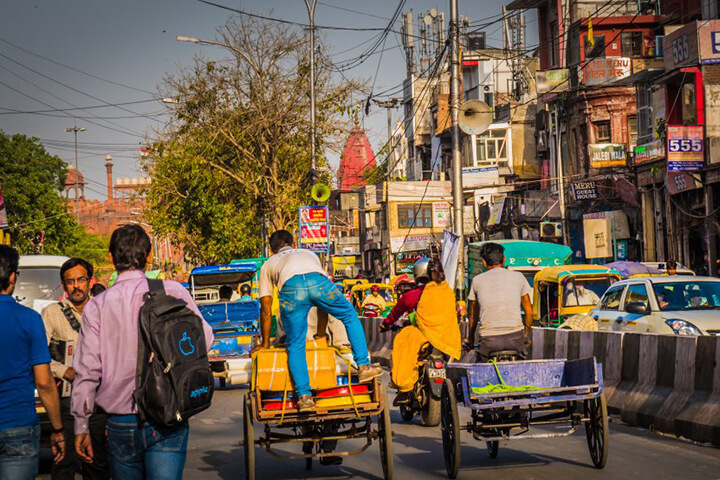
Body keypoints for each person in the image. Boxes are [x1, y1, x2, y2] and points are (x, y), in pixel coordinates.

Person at [71, 225, 214, 479]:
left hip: (120, 422)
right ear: (148, 257)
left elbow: (87, 371)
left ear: (111, 258)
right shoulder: (172, 292)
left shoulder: (97, 306)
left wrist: (81, 425)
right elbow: (205, 338)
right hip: (168, 415)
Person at [253, 230, 382, 412]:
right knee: (349, 315)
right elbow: (322, 304)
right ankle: (363, 366)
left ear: (272, 250)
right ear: (294, 243)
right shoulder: (308, 254)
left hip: (291, 290)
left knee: (295, 343)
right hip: (318, 284)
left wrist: (265, 344)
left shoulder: (269, 264)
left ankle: (305, 397)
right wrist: (321, 334)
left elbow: (266, 310)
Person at [0, 245, 65, 479]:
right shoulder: (30, 319)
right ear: (13, 276)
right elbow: (45, 383)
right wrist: (57, 430)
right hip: (18, 425)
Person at [41, 258, 109, 480]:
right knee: (64, 465)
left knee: (96, 465)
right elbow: (40, 358)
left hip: (99, 403)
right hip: (66, 404)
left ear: (91, 281)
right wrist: (64, 371)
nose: (76, 286)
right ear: (63, 286)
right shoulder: (52, 313)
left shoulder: (104, 311)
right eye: (70, 281)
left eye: (81, 280)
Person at [387, 258, 461, 401]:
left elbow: (421, 317)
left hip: (428, 335)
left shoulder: (425, 291)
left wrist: (414, 321)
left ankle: (404, 385)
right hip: (446, 336)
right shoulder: (448, 290)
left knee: (402, 339)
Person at [466, 242, 533, 362]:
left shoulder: (477, 281)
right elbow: (529, 312)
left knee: (481, 366)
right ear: (504, 259)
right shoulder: (519, 277)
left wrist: (470, 340)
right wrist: (526, 335)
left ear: (484, 262)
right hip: (515, 340)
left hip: (489, 342)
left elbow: (473, 316)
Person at [379, 258, 431, 332]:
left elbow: (395, 314)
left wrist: (384, 325)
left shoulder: (410, 296)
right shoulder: (444, 292)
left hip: (418, 335)